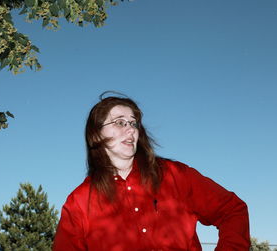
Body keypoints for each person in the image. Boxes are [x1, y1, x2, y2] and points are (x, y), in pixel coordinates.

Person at [53, 93, 250, 251]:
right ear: (96, 135)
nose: (130, 129)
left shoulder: (175, 175)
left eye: (133, 123)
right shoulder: (78, 203)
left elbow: (233, 210)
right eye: (120, 122)